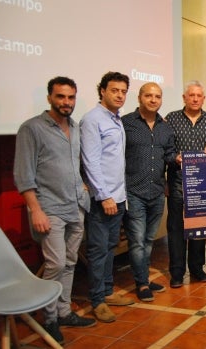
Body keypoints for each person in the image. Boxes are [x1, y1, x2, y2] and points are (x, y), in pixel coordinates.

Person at [14, 77, 96, 343]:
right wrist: (35, 210)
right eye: (61, 97)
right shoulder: (32, 129)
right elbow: (23, 175)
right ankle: (49, 318)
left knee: (71, 262)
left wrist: (83, 186)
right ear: (50, 97)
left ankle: (63, 311)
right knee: (56, 263)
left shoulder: (74, 126)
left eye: (71, 97)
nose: (66, 102)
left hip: (76, 205)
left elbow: (75, 165)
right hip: (49, 208)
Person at [80, 71, 134, 322]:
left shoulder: (116, 119)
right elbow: (91, 162)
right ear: (102, 90)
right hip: (104, 200)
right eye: (115, 90)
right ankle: (98, 300)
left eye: (123, 91)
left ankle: (108, 291)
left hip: (119, 197)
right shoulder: (93, 120)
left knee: (111, 247)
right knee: (99, 250)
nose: (120, 95)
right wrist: (104, 196)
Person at [165, 81, 206, 288]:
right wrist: (175, 158)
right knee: (176, 230)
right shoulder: (171, 119)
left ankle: (198, 268)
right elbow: (165, 151)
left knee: (199, 229)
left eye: (199, 95)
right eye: (191, 95)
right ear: (184, 97)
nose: (195, 98)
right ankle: (177, 272)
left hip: (203, 186)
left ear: (204, 98)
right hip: (178, 184)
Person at [122, 83, 176, 301]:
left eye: (157, 96)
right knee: (136, 241)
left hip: (156, 191)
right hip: (133, 191)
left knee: (148, 240)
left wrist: (180, 159)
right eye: (148, 96)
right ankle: (142, 283)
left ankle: (143, 277)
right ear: (139, 98)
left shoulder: (165, 127)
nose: (153, 100)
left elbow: (170, 155)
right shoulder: (125, 124)